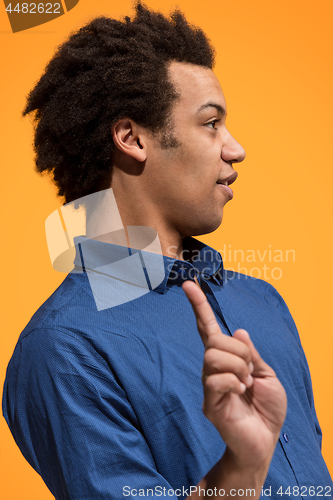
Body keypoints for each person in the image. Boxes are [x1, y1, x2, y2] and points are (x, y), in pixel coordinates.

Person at [2, 3, 332, 499]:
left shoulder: (263, 302)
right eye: (211, 123)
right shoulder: (64, 349)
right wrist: (240, 469)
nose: (236, 148)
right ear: (132, 138)